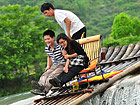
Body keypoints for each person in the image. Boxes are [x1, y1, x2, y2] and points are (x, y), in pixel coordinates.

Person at [31, 30, 66, 95]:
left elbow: (66, 56)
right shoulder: (47, 48)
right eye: (45, 39)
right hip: (54, 65)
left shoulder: (59, 46)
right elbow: (49, 56)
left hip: (62, 64)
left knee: (52, 76)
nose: (47, 41)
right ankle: (40, 86)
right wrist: (48, 66)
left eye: (48, 39)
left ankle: (45, 90)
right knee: (45, 74)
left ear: (53, 38)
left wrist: (66, 66)